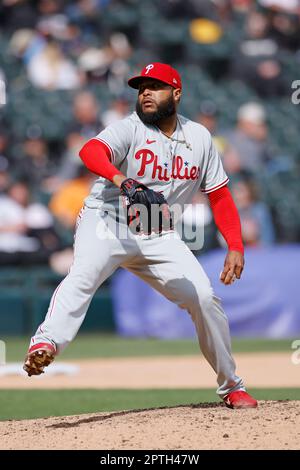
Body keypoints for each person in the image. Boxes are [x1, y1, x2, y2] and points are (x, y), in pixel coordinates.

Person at [23, 62, 257, 409]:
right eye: (141, 87)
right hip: (107, 222)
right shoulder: (129, 128)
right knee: (84, 275)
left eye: (155, 86)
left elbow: (220, 195)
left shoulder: (199, 138)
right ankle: (46, 343)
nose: (145, 92)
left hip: (158, 233)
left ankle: (232, 386)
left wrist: (235, 245)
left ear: (176, 94)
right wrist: (123, 180)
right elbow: (90, 151)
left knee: (204, 299)